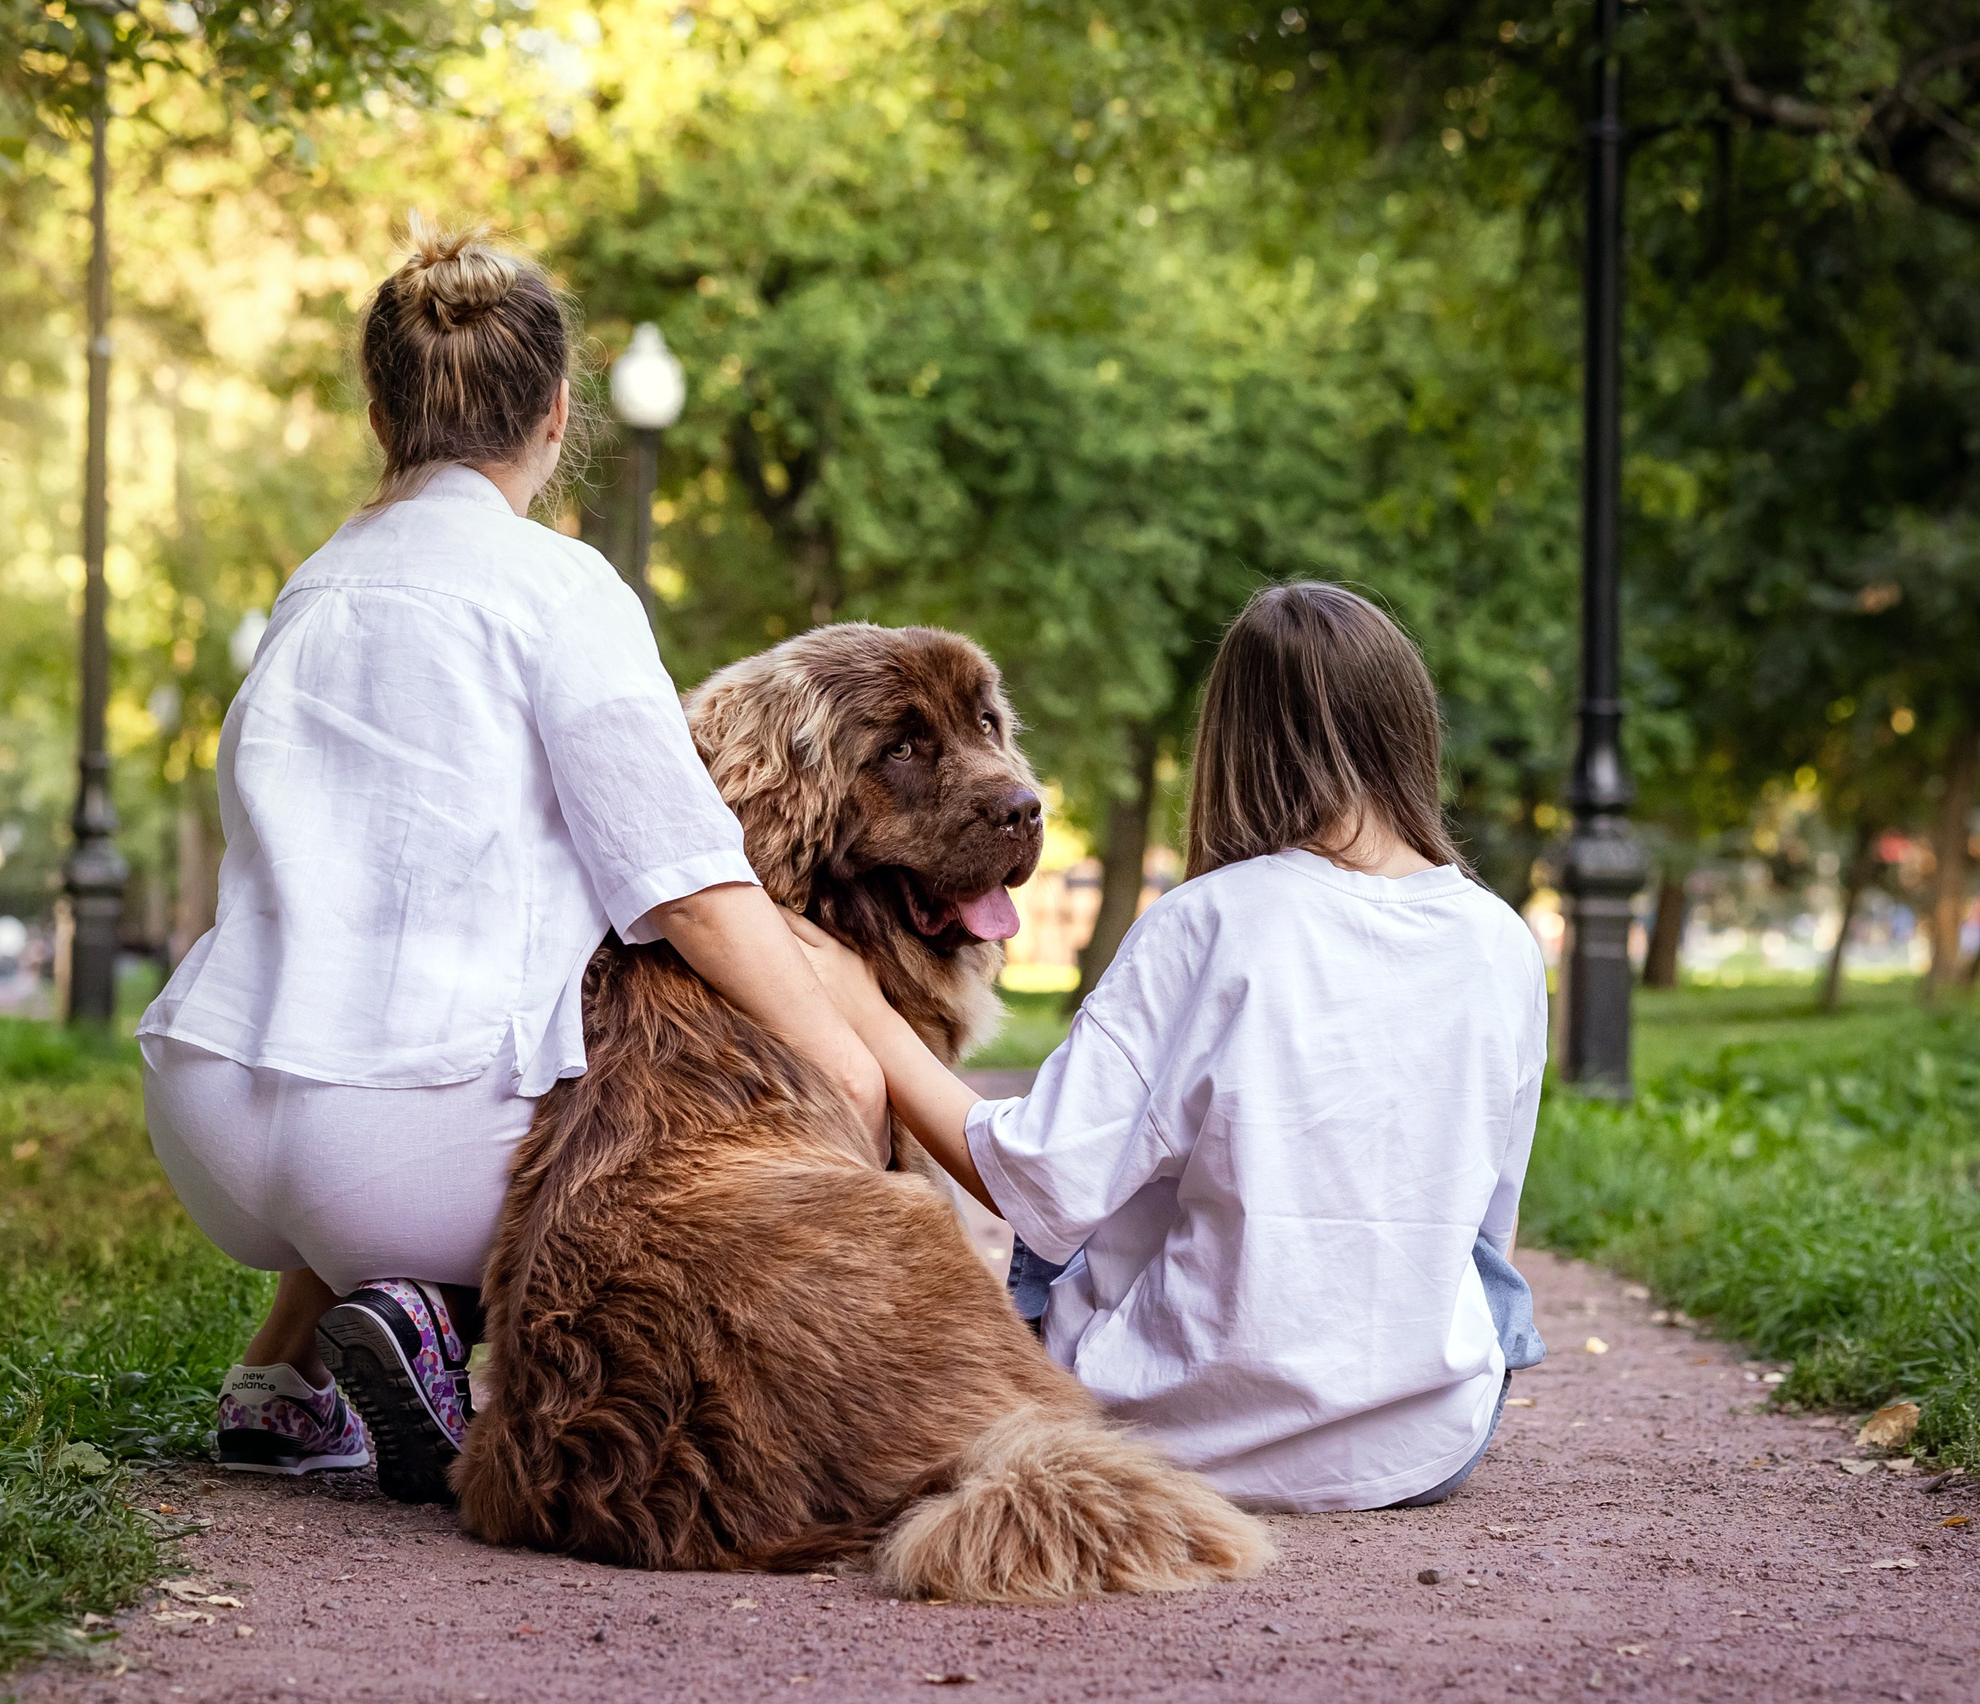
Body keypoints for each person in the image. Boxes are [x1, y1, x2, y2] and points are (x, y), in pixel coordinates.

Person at [137, 219, 883, 1504]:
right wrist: (849, 1063)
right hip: (404, 1140)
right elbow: (691, 889)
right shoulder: (558, 587)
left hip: (208, 1105)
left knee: (415, 1022)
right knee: (663, 1060)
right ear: (555, 409)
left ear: (381, 412)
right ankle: (438, 1324)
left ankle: (283, 1380)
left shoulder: (312, 589)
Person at [792, 581, 1547, 1513]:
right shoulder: (1501, 939)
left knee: (1072, 1217)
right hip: (1429, 1442)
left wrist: (863, 1009)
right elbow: (1489, 1228)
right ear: (1408, 728)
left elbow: (1043, 1182)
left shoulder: (1210, 922)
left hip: (1184, 1436)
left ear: (1233, 745)